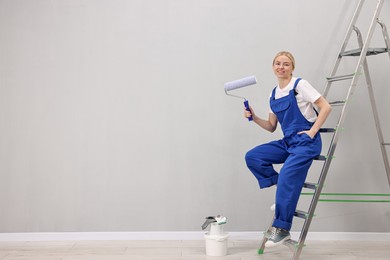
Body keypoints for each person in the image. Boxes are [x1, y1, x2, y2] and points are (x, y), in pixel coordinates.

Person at [244, 51, 332, 248]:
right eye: (277, 63)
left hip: (306, 143)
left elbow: (326, 107)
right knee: (253, 157)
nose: (281, 67)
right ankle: (283, 190)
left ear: (292, 67)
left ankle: (282, 229)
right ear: (273, 67)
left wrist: (312, 131)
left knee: (287, 175)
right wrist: (254, 117)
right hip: (288, 141)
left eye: (286, 64)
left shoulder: (299, 85)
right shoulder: (273, 94)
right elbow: (271, 126)